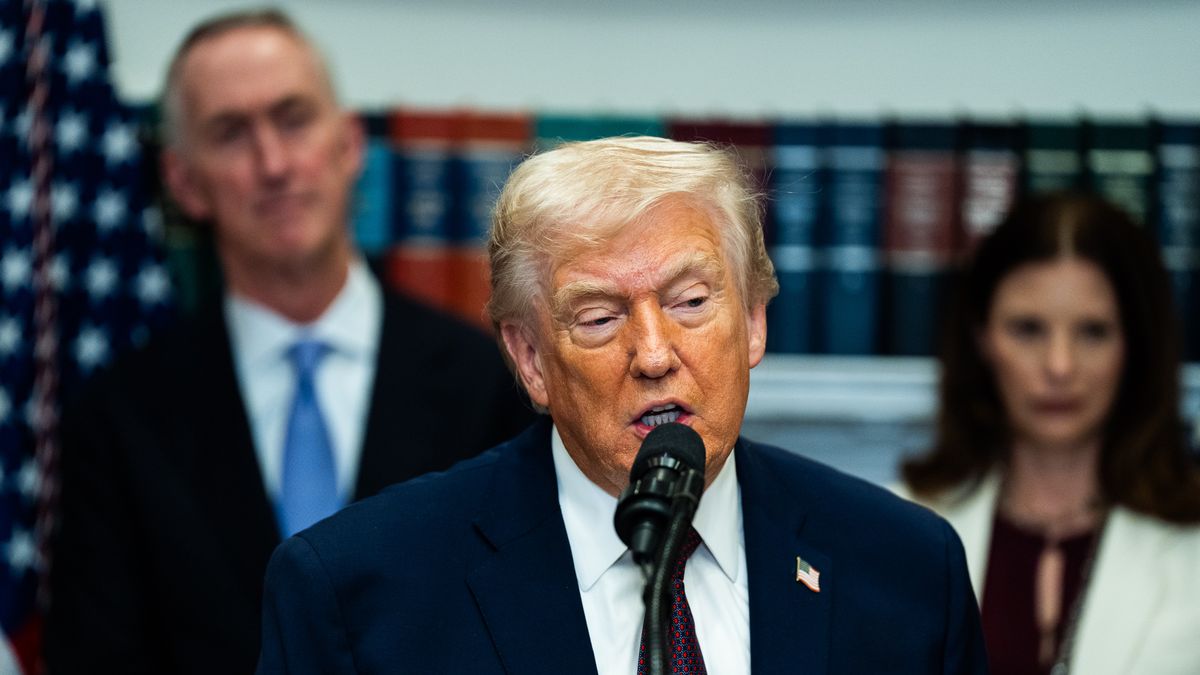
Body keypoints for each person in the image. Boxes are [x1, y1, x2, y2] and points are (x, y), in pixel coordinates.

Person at [256, 136, 988, 674]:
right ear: (531, 358)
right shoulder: (358, 594)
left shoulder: (907, 570)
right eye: (600, 316)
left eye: (692, 302)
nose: (655, 353)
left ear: (756, 322)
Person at [44, 10, 532, 674]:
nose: (272, 163)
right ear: (184, 182)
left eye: (293, 118)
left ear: (350, 144)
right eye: (231, 133)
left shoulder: (493, 381)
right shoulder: (119, 418)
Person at [900, 192, 1200, 675]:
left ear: (1137, 346)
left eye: (1093, 332)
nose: (1059, 366)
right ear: (981, 339)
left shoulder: (1191, 548)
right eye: (1028, 329)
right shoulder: (892, 528)